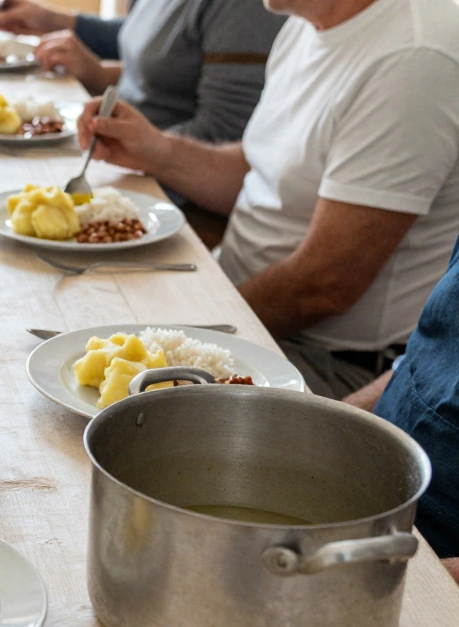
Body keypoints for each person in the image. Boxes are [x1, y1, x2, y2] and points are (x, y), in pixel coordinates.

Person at [74, 0, 459, 399]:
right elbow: (258, 168)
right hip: (238, 304)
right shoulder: (302, 19)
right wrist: (158, 151)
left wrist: (196, 331)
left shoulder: (415, 57)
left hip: (321, 358)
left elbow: (325, 284)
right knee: (71, 314)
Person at [0, 0, 286, 143]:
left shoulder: (245, 9)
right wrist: (54, 21)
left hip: (172, 189)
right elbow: (145, 37)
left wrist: (127, 148)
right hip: (123, 147)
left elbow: (223, 134)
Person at [344, 240, 459, 583]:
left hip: (436, 557)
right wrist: (334, 422)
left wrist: (427, 583)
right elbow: (427, 352)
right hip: (368, 490)